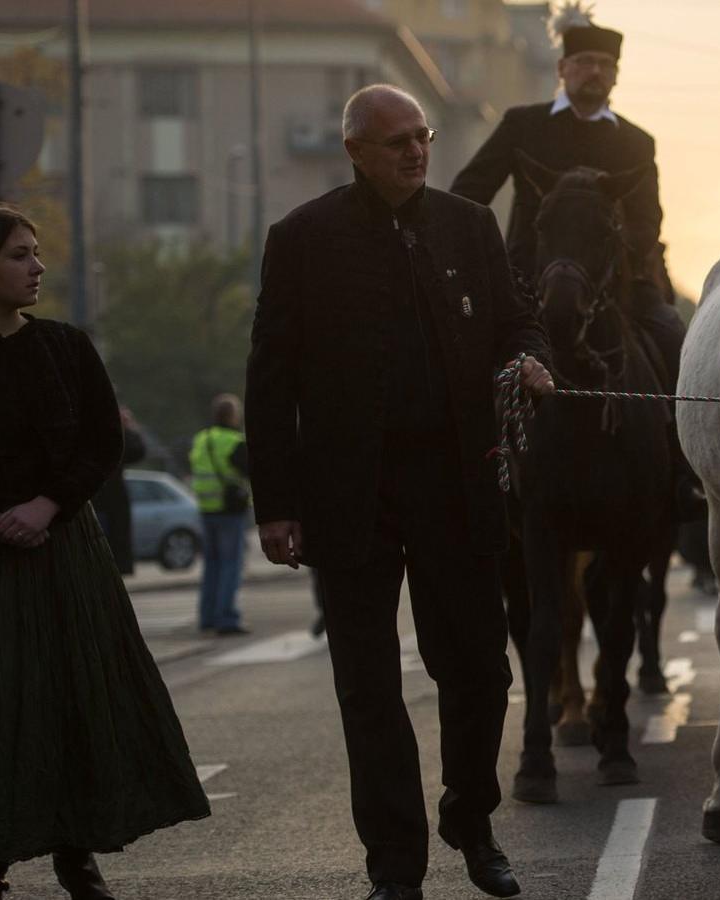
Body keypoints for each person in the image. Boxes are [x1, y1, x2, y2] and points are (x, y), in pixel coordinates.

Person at [246, 84, 553, 900]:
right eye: (396, 142)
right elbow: (270, 378)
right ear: (354, 151)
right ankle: (395, 867)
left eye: (422, 137)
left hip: (457, 486)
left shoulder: (467, 224)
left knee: (481, 671)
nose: (416, 151)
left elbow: (515, 320)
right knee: (370, 688)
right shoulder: (302, 238)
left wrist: (528, 356)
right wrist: (275, 504)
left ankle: (472, 817)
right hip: (350, 496)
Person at [0, 204, 209, 900]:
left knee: (71, 697)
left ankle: (77, 852)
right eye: (18, 255)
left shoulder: (66, 346)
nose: (36, 267)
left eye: (35, 253)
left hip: (63, 551)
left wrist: (46, 505)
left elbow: (103, 441)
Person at [449, 4, 701, 518]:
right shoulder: (522, 125)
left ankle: (683, 473)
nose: (594, 72)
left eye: (604, 65)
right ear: (563, 69)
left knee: (675, 337)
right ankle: (464, 475)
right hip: (524, 285)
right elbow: (468, 194)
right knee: (465, 352)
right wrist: (495, 265)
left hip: (615, 286)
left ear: (615, 75)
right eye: (583, 62)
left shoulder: (636, 141)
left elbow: (648, 221)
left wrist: (612, 266)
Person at [190, 393, 252, 635]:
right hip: (229, 510)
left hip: (206, 509)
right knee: (230, 565)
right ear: (233, 415)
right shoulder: (234, 441)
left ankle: (207, 616)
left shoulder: (201, 439)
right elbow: (248, 469)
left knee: (212, 565)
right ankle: (227, 618)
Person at [91, 406, 145, 575]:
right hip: (106, 499)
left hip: (102, 498)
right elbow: (136, 451)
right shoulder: (109, 434)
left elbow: (136, 453)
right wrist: (127, 429)